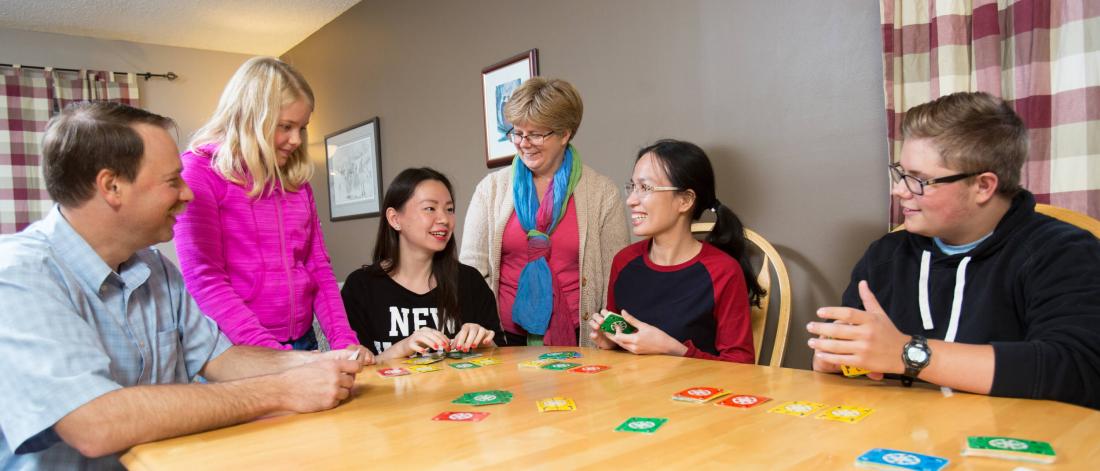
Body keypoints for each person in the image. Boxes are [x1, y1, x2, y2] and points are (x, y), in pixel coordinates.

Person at [0, 102, 373, 469]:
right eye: (172, 180)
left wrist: (318, 362)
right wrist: (282, 389)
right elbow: (94, 424)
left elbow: (221, 359)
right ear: (112, 186)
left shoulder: (154, 267)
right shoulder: (19, 274)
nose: (187, 193)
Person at [807, 91, 1100, 409]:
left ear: (983, 186)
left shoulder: (1063, 252)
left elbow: (1076, 369)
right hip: (897, 442)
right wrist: (839, 360)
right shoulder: (885, 257)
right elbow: (846, 369)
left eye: (919, 180)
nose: (899, 190)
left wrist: (907, 353)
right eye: (900, 173)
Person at [174, 57, 361, 351]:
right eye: (285, 126)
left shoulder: (297, 183)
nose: (296, 140)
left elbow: (319, 268)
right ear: (251, 118)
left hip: (302, 341)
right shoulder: (199, 173)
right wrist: (275, 356)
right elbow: (205, 281)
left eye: (302, 127)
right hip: (236, 348)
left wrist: (344, 341)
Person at [460, 77, 629, 347]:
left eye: (537, 134)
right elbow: (470, 273)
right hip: (502, 338)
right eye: (517, 132)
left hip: (576, 336)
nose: (524, 143)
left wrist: (609, 341)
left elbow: (615, 279)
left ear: (565, 134)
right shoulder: (490, 190)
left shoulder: (602, 193)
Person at [587, 140, 762, 363]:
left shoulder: (723, 271)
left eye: (645, 188)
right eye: (632, 187)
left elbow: (742, 367)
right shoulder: (624, 261)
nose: (630, 200)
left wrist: (671, 348)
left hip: (696, 395)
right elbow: (622, 345)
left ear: (685, 200)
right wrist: (611, 342)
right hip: (632, 393)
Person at [342, 168, 502, 360]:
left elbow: (502, 356)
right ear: (395, 219)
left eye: (449, 209)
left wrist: (486, 342)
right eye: (430, 208)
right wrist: (402, 348)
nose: (444, 219)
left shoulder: (470, 281)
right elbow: (354, 369)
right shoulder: (361, 287)